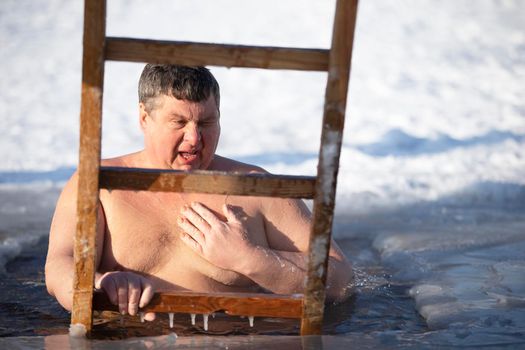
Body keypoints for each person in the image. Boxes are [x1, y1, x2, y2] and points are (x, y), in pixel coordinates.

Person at [45, 64, 353, 321]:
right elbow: (59, 266)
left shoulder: (256, 189)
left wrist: (251, 260)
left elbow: (342, 281)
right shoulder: (102, 183)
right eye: (178, 122)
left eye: (206, 122)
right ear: (144, 117)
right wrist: (100, 282)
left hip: (239, 340)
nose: (194, 138)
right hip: (126, 339)